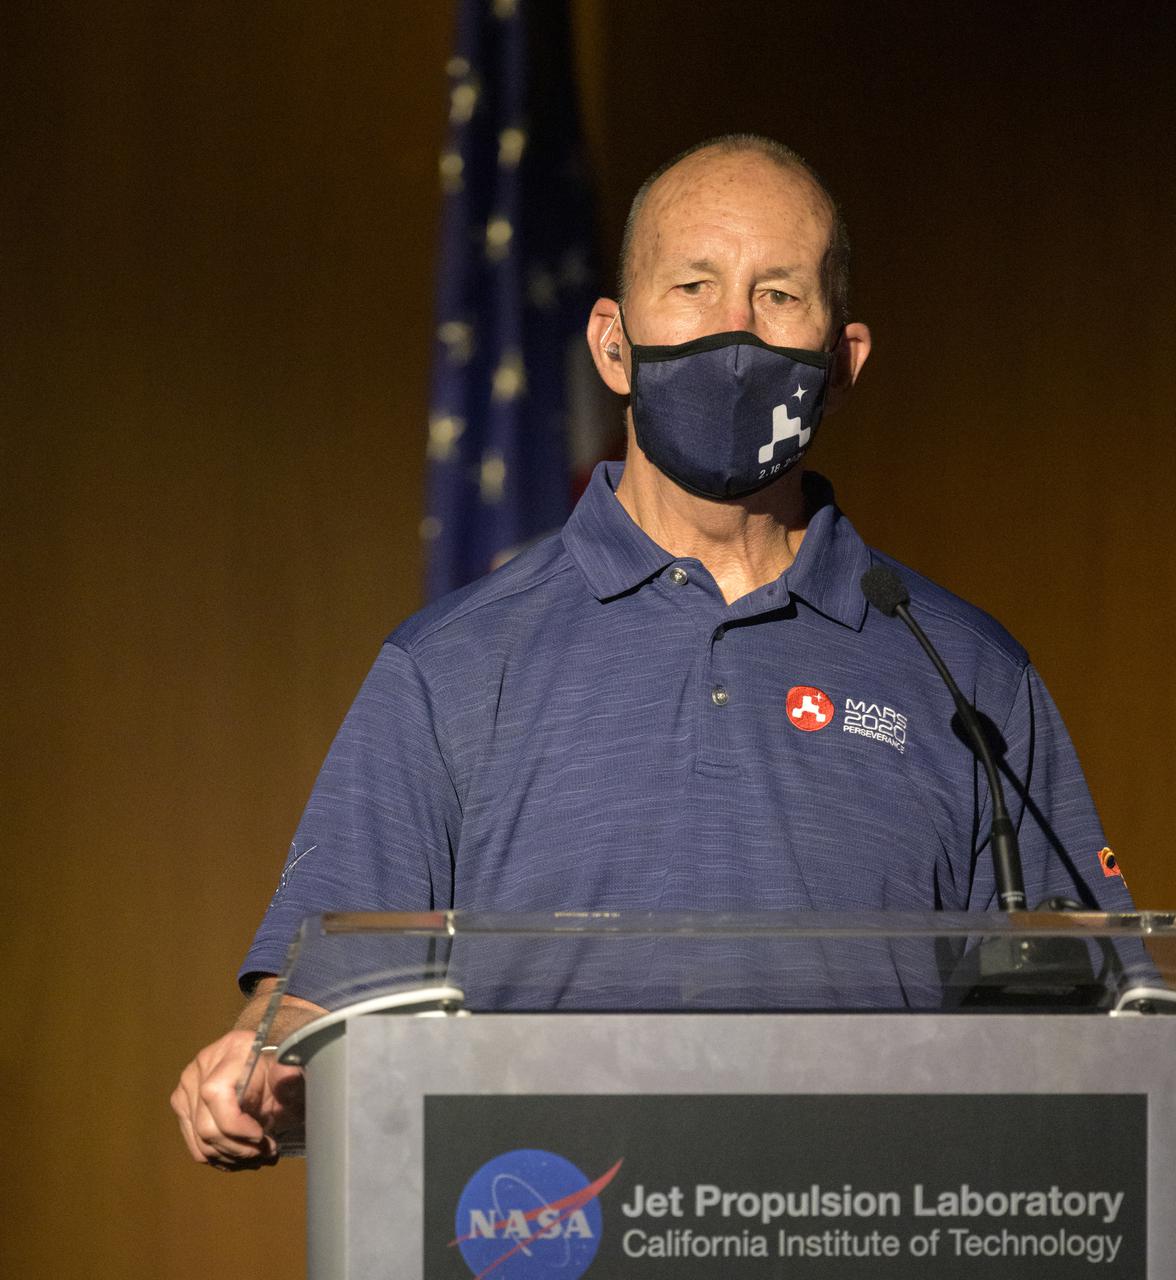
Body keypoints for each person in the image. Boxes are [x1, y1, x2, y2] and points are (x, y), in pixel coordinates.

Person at [172, 134, 1136, 1169]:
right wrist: (262, 1060)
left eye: (779, 294)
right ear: (612, 343)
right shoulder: (449, 667)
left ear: (844, 361)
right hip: (545, 1221)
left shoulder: (968, 673)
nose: (734, 329)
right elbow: (320, 1000)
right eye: (692, 286)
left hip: (863, 1218)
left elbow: (1098, 1020)